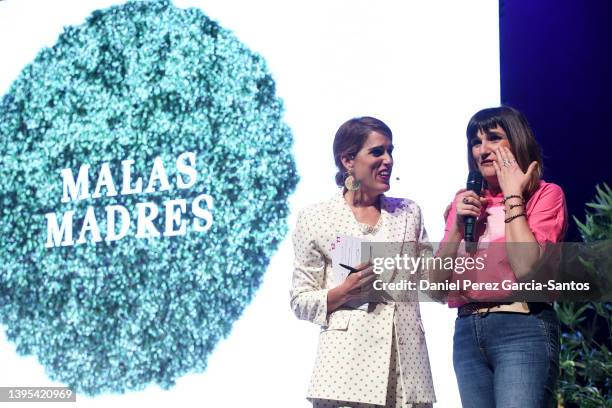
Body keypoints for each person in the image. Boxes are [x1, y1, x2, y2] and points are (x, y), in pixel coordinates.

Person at [290, 117, 436, 408]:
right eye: (377, 152)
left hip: (406, 374)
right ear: (347, 160)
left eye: (390, 151)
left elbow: (434, 284)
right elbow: (300, 300)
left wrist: (456, 230)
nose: (388, 160)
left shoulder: (408, 213)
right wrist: (345, 291)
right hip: (345, 374)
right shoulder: (315, 218)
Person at [438, 106, 566, 408]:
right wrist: (456, 227)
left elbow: (527, 270)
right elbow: (435, 287)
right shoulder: (465, 202)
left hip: (522, 326)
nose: (482, 150)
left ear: (517, 141)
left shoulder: (546, 195)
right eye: (475, 142)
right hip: (468, 332)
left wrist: (513, 196)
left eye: (494, 138)